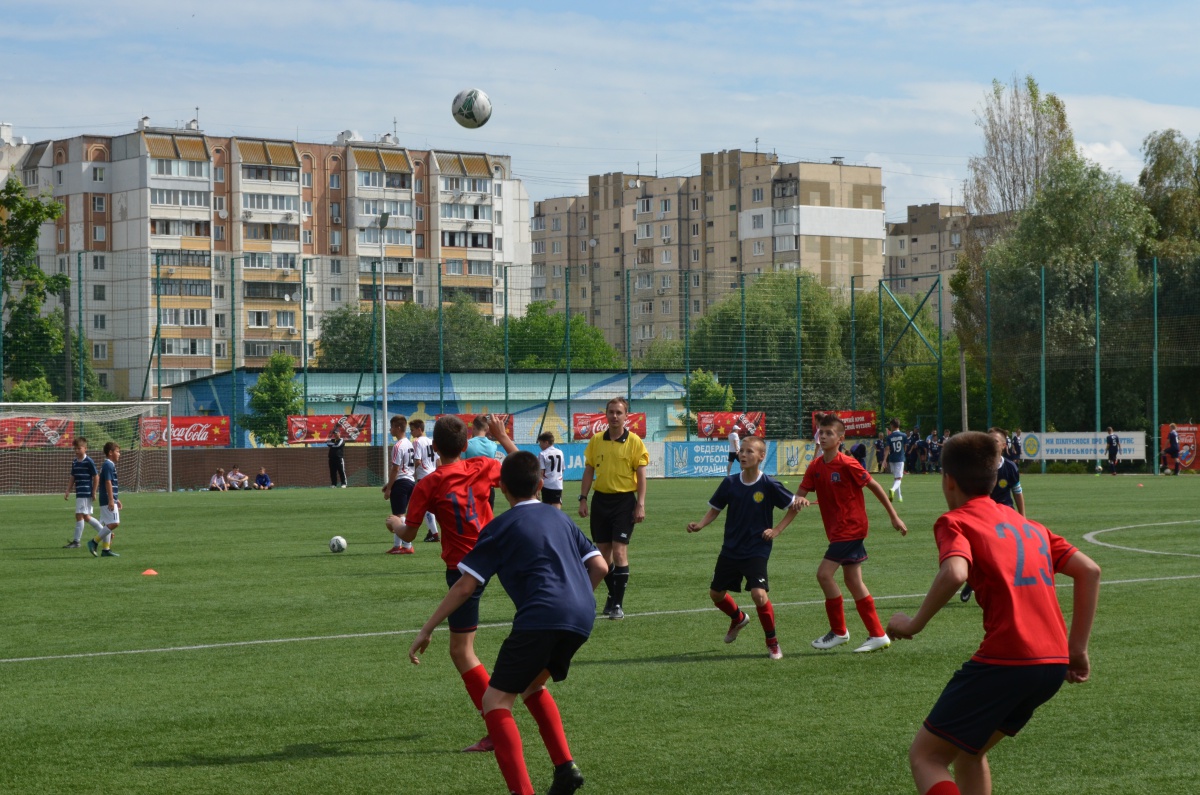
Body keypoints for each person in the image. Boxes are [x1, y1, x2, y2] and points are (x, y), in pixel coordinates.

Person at [886, 431, 1100, 795]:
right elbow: (1089, 571)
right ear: (993, 477)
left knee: (927, 757)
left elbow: (955, 573)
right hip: (1050, 664)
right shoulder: (1028, 525)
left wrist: (912, 623)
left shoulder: (956, 521)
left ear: (948, 480)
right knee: (970, 751)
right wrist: (1076, 649)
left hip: (1008, 658)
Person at [409, 450, 607, 795]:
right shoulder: (559, 517)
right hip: (582, 615)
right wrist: (576, 599)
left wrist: (427, 628)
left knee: (495, 702)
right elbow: (601, 567)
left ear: (501, 488)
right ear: (540, 483)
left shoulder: (500, 526)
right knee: (532, 686)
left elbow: (465, 585)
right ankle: (565, 769)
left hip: (541, 617)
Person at [400, 414, 518, 754]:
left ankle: (496, 726)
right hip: (499, 554)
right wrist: (504, 438)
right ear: (466, 446)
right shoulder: (481, 465)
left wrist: (394, 523)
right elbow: (522, 473)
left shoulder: (428, 484)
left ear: (433, 448)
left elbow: (409, 534)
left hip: (465, 567)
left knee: (460, 650)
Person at [795, 414, 908, 653]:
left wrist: (893, 515)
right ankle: (877, 634)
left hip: (851, 528)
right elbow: (799, 495)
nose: (823, 437)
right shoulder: (816, 466)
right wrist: (798, 502)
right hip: (838, 532)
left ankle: (839, 631)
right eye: (821, 433)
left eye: (828, 434)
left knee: (824, 575)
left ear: (840, 439)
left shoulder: (847, 463)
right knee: (853, 581)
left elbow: (875, 486)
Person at [686, 436, 799, 660]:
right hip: (731, 548)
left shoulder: (769, 484)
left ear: (761, 456)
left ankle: (772, 642)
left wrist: (776, 530)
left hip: (757, 549)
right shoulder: (730, 483)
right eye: (742, 451)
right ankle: (738, 618)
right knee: (716, 594)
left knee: (759, 594)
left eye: (749, 451)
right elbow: (715, 509)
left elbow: (793, 507)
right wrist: (700, 524)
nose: (743, 455)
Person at [578, 396, 649, 621]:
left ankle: (617, 604)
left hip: (624, 501)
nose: (615, 416)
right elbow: (589, 470)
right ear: (606, 414)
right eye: (611, 412)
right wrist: (583, 498)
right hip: (600, 501)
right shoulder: (596, 440)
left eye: (619, 412)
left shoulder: (635, 441)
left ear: (626, 416)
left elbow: (641, 473)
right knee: (603, 555)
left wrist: (640, 503)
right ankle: (612, 593)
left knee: (619, 551)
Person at [960, 427, 1026, 603]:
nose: (990, 444)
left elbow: (1017, 492)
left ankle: (1007, 586)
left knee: (1008, 551)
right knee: (979, 551)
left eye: (995, 441)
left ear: (1004, 446)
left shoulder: (1011, 467)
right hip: (983, 513)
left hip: (1005, 514)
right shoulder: (979, 466)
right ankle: (971, 582)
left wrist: (1022, 517)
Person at [63, 436, 108, 549]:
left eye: (79, 448)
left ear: (85, 448)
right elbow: (73, 477)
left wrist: (93, 491)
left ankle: (76, 541)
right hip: (79, 493)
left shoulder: (89, 461)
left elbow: (96, 477)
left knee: (79, 515)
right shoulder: (74, 462)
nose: (77, 451)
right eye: (75, 449)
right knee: (86, 517)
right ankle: (105, 533)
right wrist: (68, 490)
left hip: (85, 492)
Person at [383, 415, 416, 555]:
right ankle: (397, 546)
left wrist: (389, 488)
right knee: (400, 514)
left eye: (391, 427)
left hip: (401, 482)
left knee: (399, 515)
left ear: (397, 428)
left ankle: (407, 546)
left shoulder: (398, 446)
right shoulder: (409, 443)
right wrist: (389, 484)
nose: (390, 430)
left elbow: (396, 469)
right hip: (410, 481)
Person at [88, 442, 122, 558]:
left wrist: (116, 499)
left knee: (108, 524)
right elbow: (108, 482)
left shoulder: (109, 465)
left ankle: (106, 550)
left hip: (108, 498)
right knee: (114, 523)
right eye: (117, 451)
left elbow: (111, 484)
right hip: (107, 499)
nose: (119, 454)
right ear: (110, 453)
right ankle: (94, 541)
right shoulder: (108, 465)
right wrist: (111, 500)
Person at [411, 418, 441, 542]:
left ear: (419, 429)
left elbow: (417, 460)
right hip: (434, 474)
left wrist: (412, 473)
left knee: (426, 507)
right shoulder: (431, 441)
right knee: (433, 506)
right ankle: (431, 532)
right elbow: (438, 460)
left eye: (412, 430)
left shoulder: (417, 442)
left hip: (424, 476)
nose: (411, 433)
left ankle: (434, 534)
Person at [465, 414, 502, 509]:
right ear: (487, 429)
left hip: (472, 489)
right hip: (488, 488)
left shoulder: (467, 444)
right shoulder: (493, 445)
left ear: (473, 427)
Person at [537, 431, 565, 509]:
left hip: (546, 485)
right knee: (557, 511)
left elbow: (541, 473)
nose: (540, 445)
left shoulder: (542, 454)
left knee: (546, 511)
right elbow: (562, 469)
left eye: (541, 443)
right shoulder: (560, 452)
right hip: (557, 485)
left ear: (546, 442)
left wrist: (537, 489)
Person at [886, 418, 907, 502]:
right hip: (900, 458)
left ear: (892, 425)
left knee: (896, 478)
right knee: (899, 479)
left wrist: (884, 460)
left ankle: (900, 497)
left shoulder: (889, 436)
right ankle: (893, 490)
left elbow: (887, 449)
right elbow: (905, 447)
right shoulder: (904, 435)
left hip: (892, 459)